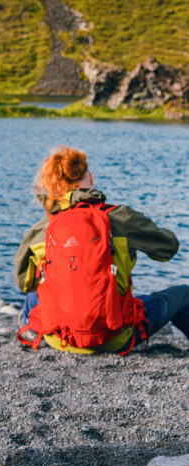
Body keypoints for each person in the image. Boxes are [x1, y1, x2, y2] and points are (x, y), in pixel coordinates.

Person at [15, 145, 188, 354]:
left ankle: (35, 332)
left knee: (38, 288)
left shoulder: (44, 227)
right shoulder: (119, 217)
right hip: (115, 338)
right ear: (89, 177)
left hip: (58, 339)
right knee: (184, 294)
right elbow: (168, 248)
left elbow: (23, 282)